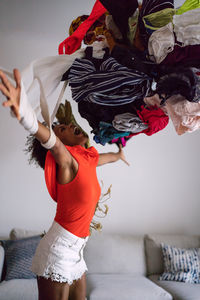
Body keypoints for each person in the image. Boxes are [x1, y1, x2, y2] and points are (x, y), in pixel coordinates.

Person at [0, 68, 129, 300]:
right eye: (62, 129)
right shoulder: (67, 161)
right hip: (57, 250)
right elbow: (51, 142)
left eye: (67, 125)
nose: (69, 126)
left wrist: (118, 155)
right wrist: (26, 116)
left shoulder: (87, 159)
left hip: (77, 250)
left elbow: (103, 159)